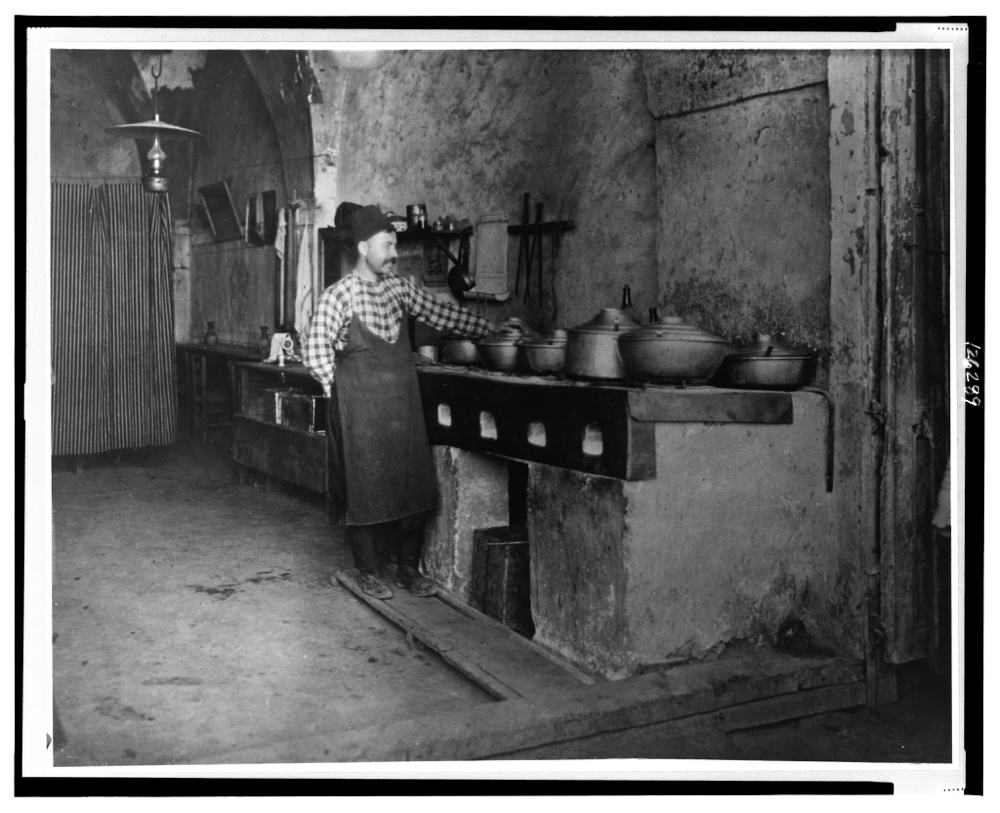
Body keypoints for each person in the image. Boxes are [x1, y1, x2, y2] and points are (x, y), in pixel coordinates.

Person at [303, 205, 493, 600]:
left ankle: (407, 568)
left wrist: (492, 329)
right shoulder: (338, 296)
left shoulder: (400, 288)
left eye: (394, 245)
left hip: (401, 408)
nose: (393, 253)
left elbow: (442, 314)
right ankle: (368, 570)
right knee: (365, 486)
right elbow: (316, 351)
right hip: (360, 412)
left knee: (413, 482)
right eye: (386, 245)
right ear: (362, 247)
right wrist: (340, 398)